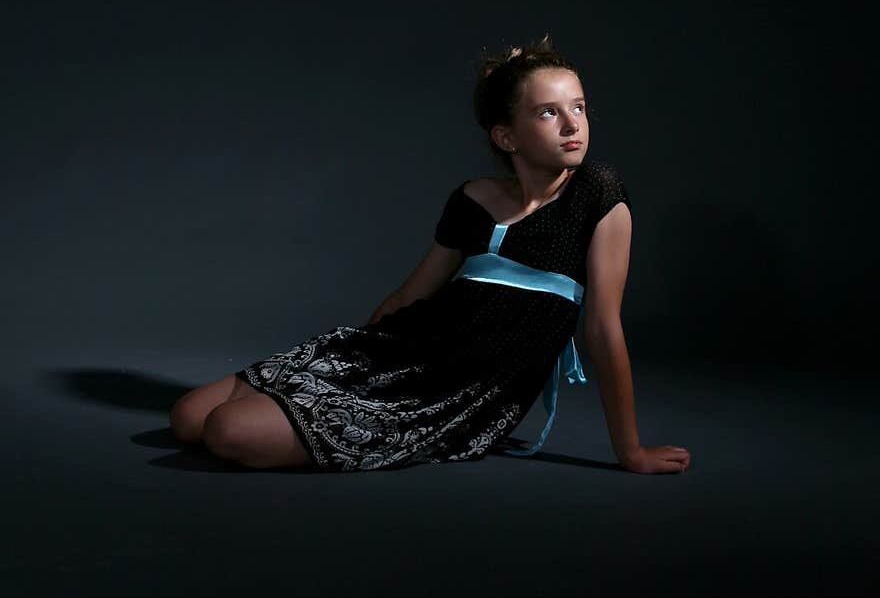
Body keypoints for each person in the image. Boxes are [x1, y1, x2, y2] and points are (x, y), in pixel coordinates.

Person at [169, 34, 691, 475]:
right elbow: (411, 295)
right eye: (548, 112)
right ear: (506, 135)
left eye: (578, 107)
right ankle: (316, 393)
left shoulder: (596, 193)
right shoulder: (474, 199)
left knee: (225, 429)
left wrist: (631, 450)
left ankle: (316, 416)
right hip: (403, 349)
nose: (572, 124)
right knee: (188, 416)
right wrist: (347, 363)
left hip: (450, 390)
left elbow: (602, 327)